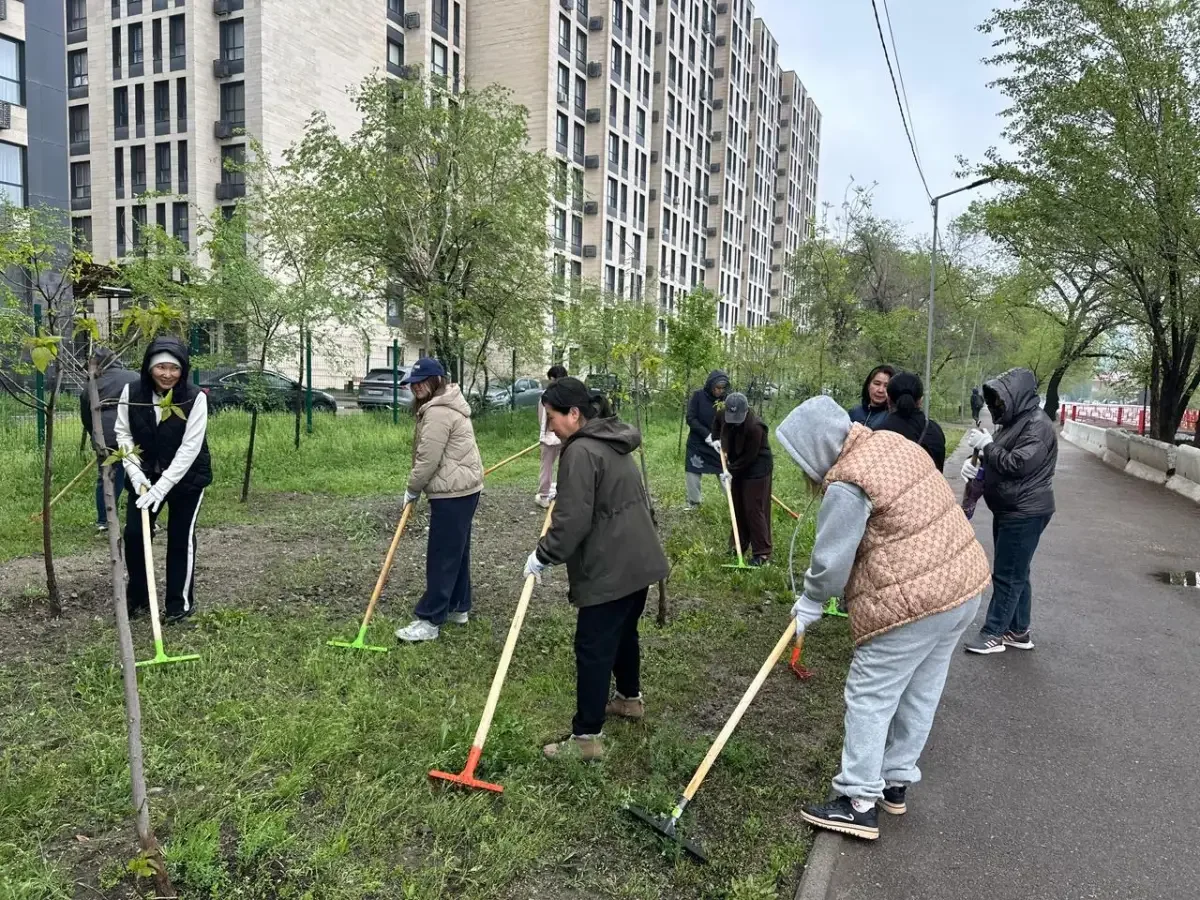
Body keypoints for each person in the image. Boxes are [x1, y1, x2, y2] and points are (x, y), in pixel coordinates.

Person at [776, 396, 991, 840]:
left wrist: (812, 601)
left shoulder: (849, 481)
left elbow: (832, 560)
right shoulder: (893, 443)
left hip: (916, 600)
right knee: (920, 690)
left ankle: (857, 801)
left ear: (816, 449)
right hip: (964, 584)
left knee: (870, 693)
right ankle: (895, 782)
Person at [524, 377, 669, 761]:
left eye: (552, 417)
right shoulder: (611, 440)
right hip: (639, 560)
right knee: (622, 634)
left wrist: (543, 554)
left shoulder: (581, 452)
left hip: (613, 566)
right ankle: (629, 699)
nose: (550, 426)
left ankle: (586, 738)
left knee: (592, 646)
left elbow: (572, 521)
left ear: (574, 414)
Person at [960, 368, 1057, 655]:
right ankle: (1018, 630)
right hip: (1010, 507)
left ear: (1015, 397)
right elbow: (997, 461)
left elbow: (1017, 464)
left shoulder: (1037, 425)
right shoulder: (1015, 423)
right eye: (992, 403)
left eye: (999, 402)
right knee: (1018, 571)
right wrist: (975, 467)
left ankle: (994, 632)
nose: (994, 408)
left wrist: (988, 447)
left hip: (1024, 510)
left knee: (1007, 574)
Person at [116, 337, 212, 623]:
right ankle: (139, 597)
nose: (167, 374)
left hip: (187, 479)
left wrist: (162, 487)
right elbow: (123, 433)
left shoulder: (195, 398)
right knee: (135, 535)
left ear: (183, 369)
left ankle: (178, 605)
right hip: (143, 476)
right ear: (149, 368)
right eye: (161, 368)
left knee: (181, 538)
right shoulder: (132, 392)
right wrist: (135, 474)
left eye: (174, 368)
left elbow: (190, 448)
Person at [394, 358, 485, 643]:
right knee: (456, 551)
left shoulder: (438, 412)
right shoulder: (446, 402)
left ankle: (430, 619)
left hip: (453, 491)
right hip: (464, 488)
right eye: (413, 383)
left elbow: (428, 459)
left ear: (436, 380)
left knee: (442, 554)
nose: (416, 387)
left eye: (422, 381)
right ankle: (459, 606)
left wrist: (412, 488)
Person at [712, 391, 774, 564]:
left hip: (757, 468)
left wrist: (730, 471)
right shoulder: (724, 413)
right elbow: (718, 426)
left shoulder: (755, 427)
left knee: (753, 509)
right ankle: (738, 546)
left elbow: (749, 457)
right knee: (738, 506)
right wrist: (717, 441)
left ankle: (762, 552)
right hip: (737, 463)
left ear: (746, 412)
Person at [81, 348, 138, 532]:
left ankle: (104, 521)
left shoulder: (92, 383)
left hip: (104, 436)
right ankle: (143, 518)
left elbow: (86, 414)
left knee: (107, 477)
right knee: (137, 474)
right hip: (131, 433)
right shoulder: (133, 377)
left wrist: (96, 436)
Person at [876, 372, 947, 472]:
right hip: (932, 487)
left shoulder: (879, 434)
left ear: (888, 399)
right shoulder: (936, 431)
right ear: (920, 400)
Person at [684, 370, 730, 508]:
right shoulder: (698, 396)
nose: (719, 391)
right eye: (717, 388)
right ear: (710, 385)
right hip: (698, 443)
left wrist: (722, 439)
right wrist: (707, 435)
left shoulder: (726, 400)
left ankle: (735, 503)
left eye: (722, 388)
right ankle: (694, 502)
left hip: (718, 444)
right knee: (692, 471)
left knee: (725, 473)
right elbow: (690, 418)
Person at [536, 364, 568, 508]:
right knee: (565, 465)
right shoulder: (568, 395)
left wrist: (544, 434)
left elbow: (541, 418)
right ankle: (563, 494)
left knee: (546, 467)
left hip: (550, 436)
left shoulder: (546, 396)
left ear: (554, 378)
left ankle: (544, 496)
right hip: (565, 436)